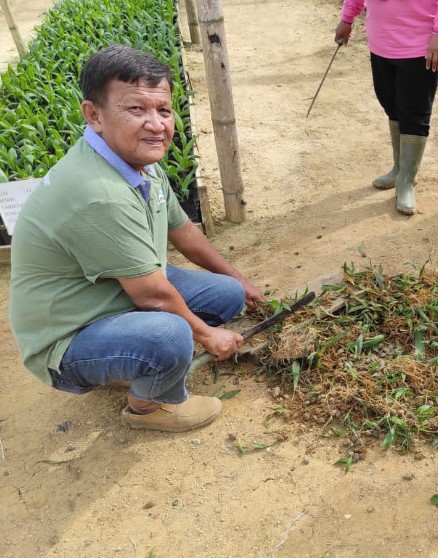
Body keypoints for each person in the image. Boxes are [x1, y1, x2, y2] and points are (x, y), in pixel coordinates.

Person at [9, 45, 266, 433]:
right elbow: (152, 296)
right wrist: (206, 335)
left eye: (163, 110)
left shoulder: (137, 160)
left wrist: (240, 279)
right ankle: (149, 406)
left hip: (109, 290)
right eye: (136, 110)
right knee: (170, 335)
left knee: (227, 294)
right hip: (67, 333)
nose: (156, 124)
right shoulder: (99, 192)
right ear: (94, 115)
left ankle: (133, 355)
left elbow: (184, 230)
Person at [334, 0, 438, 216]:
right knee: (391, 105)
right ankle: (398, 168)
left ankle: (406, 181)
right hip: (381, 42)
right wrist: (347, 18)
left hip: (419, 45)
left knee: (414, 113)